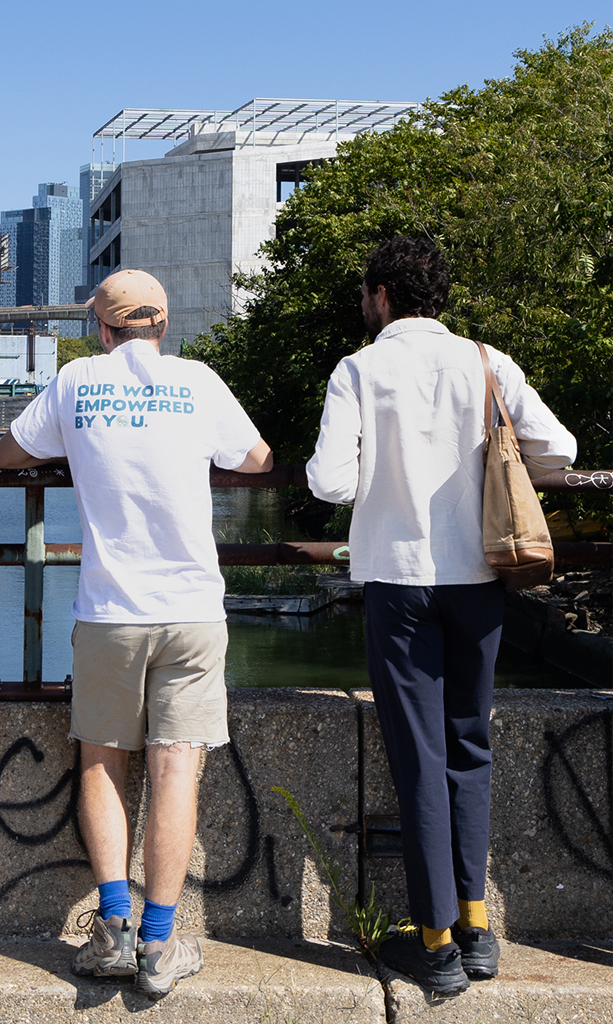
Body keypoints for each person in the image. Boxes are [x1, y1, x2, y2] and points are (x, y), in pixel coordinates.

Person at [306, 238, 576, 995]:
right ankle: (477, 929)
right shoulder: (488, 362)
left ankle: (433, 945)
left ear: (383, 296)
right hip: (480, 577)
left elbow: (328, 483)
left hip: (399, 581)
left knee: (418, 754)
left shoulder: (359, 370)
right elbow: (560, 446)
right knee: (470, 744)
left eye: (366, 294)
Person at [0, 270, 273, 997]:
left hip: (110, 611)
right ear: (164, 324)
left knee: (101, 762)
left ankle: (113, 928)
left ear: (105, 330)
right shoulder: (200, 381)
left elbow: (7, 454)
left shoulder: (78, 380)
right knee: (178, 768)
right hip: (192, 610)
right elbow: (257, 458)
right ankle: (159, 943)